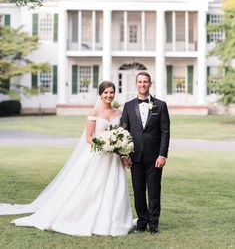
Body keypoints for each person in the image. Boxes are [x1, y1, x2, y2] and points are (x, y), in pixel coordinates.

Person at [0, 81, 133, 236]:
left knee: (114, 186)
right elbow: (89, 138)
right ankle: (85, 216)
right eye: (106, 93)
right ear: (100, 94)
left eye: (111, 92)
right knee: (90, 187)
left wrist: (120, 149)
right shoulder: (94, 112)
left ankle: (113, 219)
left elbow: (120, 135)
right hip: (97, 156)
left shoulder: (119, 113)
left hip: (113, 159)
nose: (109, 95)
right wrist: (103, 145)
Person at [120, 71, 170, 235]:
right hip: (135, 157)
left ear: (150, 83)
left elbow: (165, 132)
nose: (142, 84)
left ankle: (153, 224)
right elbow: (123, 132)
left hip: (155, 157)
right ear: (136, 84)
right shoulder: (128, 106)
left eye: (145, 82)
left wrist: (162, 154)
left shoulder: (160, 105)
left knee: (154, 191)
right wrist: (124, 154)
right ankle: (142, 222)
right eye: (140, 82)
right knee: (138, 191)